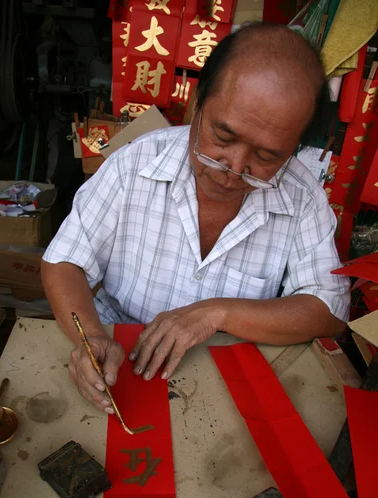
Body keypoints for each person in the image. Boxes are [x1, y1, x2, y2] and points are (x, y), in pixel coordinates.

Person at [41, 23, 350, 414]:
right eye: (223, 136)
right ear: (197, 103)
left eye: (268, 156)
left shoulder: (302, 197)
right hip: (119, 355)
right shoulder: (135, 164)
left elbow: (329, 312)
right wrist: (92, 338)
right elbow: (64, 262)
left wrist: (216, 313)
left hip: (230, 375)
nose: (234, 169)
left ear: (294, 149)